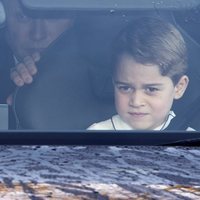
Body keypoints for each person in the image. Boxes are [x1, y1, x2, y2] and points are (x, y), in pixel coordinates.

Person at [88, 17, 194, 131]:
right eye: (125, 88)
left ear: (179, 87)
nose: (136, 102)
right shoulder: (97, 135)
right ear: (114, 84)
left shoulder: (190, 139)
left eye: (151, 89)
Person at [0, 0, 74, 104]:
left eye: (52, 15)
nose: (38, 34)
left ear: (73, 20)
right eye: (23, 17)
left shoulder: (99, 79)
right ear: (4, 20)